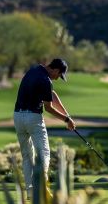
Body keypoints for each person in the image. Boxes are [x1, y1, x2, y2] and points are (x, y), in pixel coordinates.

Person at [13, 58, 76, 191]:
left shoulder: (33, 71)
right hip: (33, 118)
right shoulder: (46, 80)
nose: (58, 78)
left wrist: (67, 115)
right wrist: (66, 120)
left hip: (18, 116)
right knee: (44, 153)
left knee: (27, 155)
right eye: (59, 75)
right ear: (56, 70)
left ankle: (31, 191)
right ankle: (41, 186)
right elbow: (48, 108)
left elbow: (51, 94)